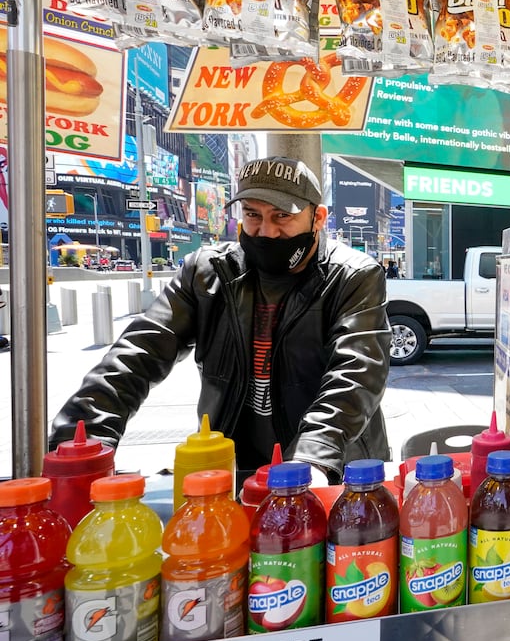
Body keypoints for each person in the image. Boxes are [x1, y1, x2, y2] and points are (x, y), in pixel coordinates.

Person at [50, 157, 392, 486]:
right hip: (234, 469)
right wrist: (78, 442)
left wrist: (313, 459)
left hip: (331, 471)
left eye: (281, 216)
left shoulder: (352, 276)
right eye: (253, 215)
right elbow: (137, 353)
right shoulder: (206, 271)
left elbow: (357, 373)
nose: (266, 232)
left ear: (317, 217)